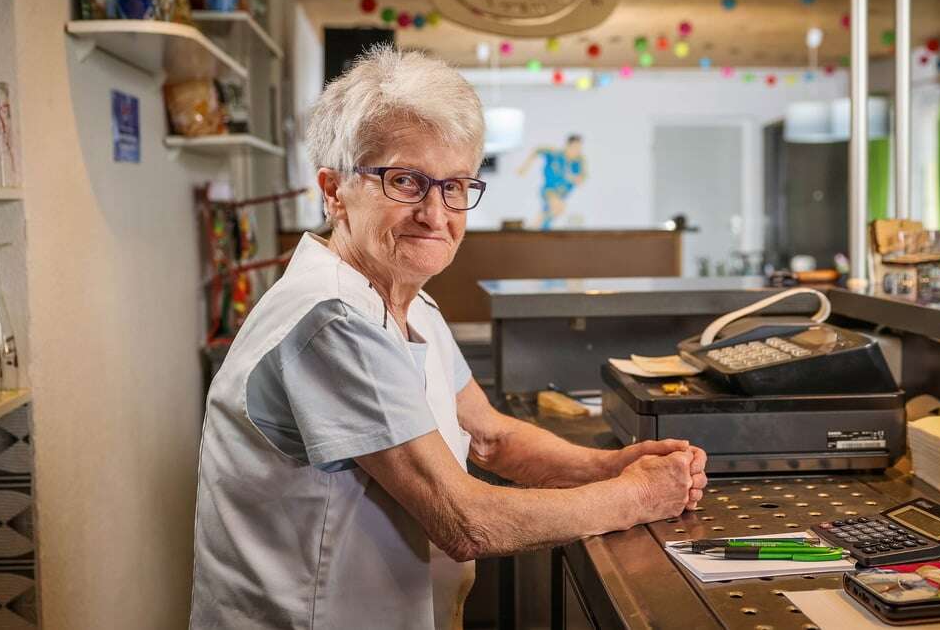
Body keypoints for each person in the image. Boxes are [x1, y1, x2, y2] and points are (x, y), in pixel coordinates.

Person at [189, 46, 707, 630]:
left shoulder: (407, 297)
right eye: (405, 181)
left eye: (455, 186)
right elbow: (465, 520)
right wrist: (638, 497)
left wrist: (610, 466)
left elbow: (490, 439)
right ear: (333, 191)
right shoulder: (331, 317)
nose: (436, 214)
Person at [517, 134, 587, 229]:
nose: (576, 150)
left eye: (579, 148)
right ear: (567, 145)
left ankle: (534, 230)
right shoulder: (555, 154)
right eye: (574, 147)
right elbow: (537, 150)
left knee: (546, 218)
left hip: (562, 194)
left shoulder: (579, 162)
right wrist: (525, 167)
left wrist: (573, 178)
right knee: (559, 207)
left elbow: (581, 179)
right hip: (549, 191)